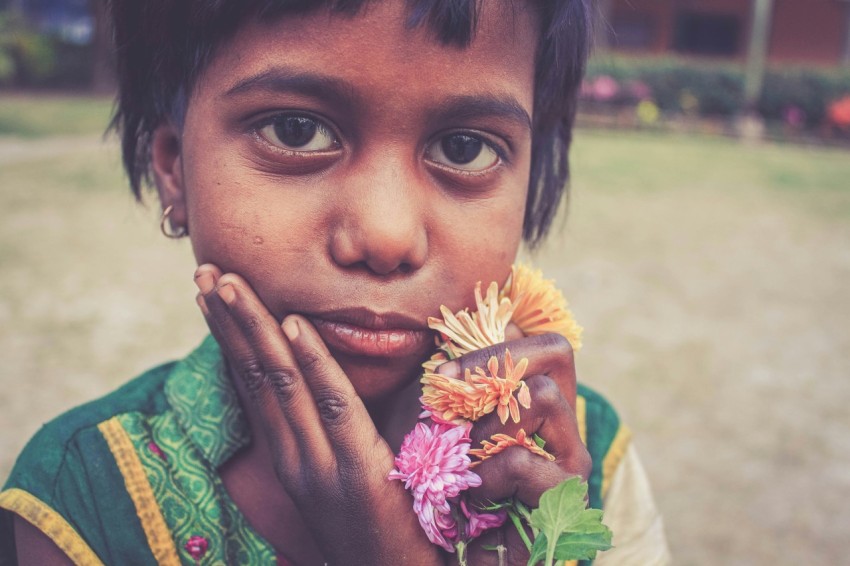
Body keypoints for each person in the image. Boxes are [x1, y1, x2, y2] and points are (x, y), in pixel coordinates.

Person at [0, 1, 669, 564]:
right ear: (176, 168)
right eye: (297, 130)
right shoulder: (81, 501)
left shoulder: (581, 468)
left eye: (465, 147)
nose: (385, 235)